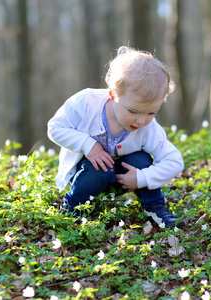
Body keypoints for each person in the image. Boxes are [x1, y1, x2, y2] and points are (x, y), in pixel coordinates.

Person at [47, 46, 184, 228]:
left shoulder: (148, 128)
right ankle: (73, 210)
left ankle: (155, 209)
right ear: (113, 94)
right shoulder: (86, 103)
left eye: (151, 112)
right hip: (87, 175)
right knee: (97, 168)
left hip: (124, 180)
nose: (142, 120)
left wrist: (141, 178)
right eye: (133, 110)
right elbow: (55, 127)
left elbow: (175, 161)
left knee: (141, 159)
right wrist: (88, 144)